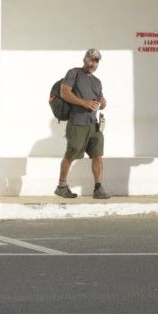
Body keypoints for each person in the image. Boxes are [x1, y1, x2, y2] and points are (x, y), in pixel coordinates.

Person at [54, 47, 111, 200]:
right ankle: (61, 186)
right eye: (91, 59)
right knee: (71, 155)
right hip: (77, 123)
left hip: (94, 125)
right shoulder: (74, 73)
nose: (93, 63)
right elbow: (64, 92)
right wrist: (84, 103)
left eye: (96, 61)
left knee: (98, 155)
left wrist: (103, 103)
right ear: (85, 59)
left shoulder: (97, 81)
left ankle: (98, 188)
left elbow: (100, 101)